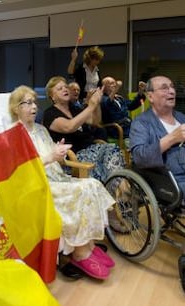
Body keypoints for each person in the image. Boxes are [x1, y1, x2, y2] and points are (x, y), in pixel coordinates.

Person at [9, 85, 115, 280]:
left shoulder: (40, 129)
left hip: (56, 177)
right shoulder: (12, 135)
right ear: (16, 108)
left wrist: (59, 153)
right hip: (36, 185)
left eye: (34, 102)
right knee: (80, 191)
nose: (34, 106)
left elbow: (54, 157)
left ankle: (88, 245)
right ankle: (79, 253)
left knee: (92, 185)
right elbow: (18, 170)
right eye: (27, 103)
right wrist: (50, 156)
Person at [42, 76, 125, 183]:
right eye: (59, 88)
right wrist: (91, 106)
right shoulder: (50, 114)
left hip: (90, 149)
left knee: (112, 154)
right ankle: (120, 192)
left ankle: (120, 190)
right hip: (73, 158)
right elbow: (69, 126)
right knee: (109, 156)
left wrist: (96, 103)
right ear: (52, 96)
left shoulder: (75, 109)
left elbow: (95, 121)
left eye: (65, 87)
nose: (65, 89)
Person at [130, 76, 185, 197]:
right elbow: (139, 157)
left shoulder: (181, 117)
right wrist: (172, 138)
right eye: (164, 88)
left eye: (172, 87)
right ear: (150, 97)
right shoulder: (141, 123)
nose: (171, 91)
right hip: (171, 182)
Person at [101, 76, 147, 145]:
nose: (114, 85)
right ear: (104, 87)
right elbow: (107, 104)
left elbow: (132, 105)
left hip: (127, 125)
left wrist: (140, 91)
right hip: (115, 128)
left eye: (115, 83)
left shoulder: (119, 99)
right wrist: (115, 90)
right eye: (111, 83)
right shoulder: (102, 99)